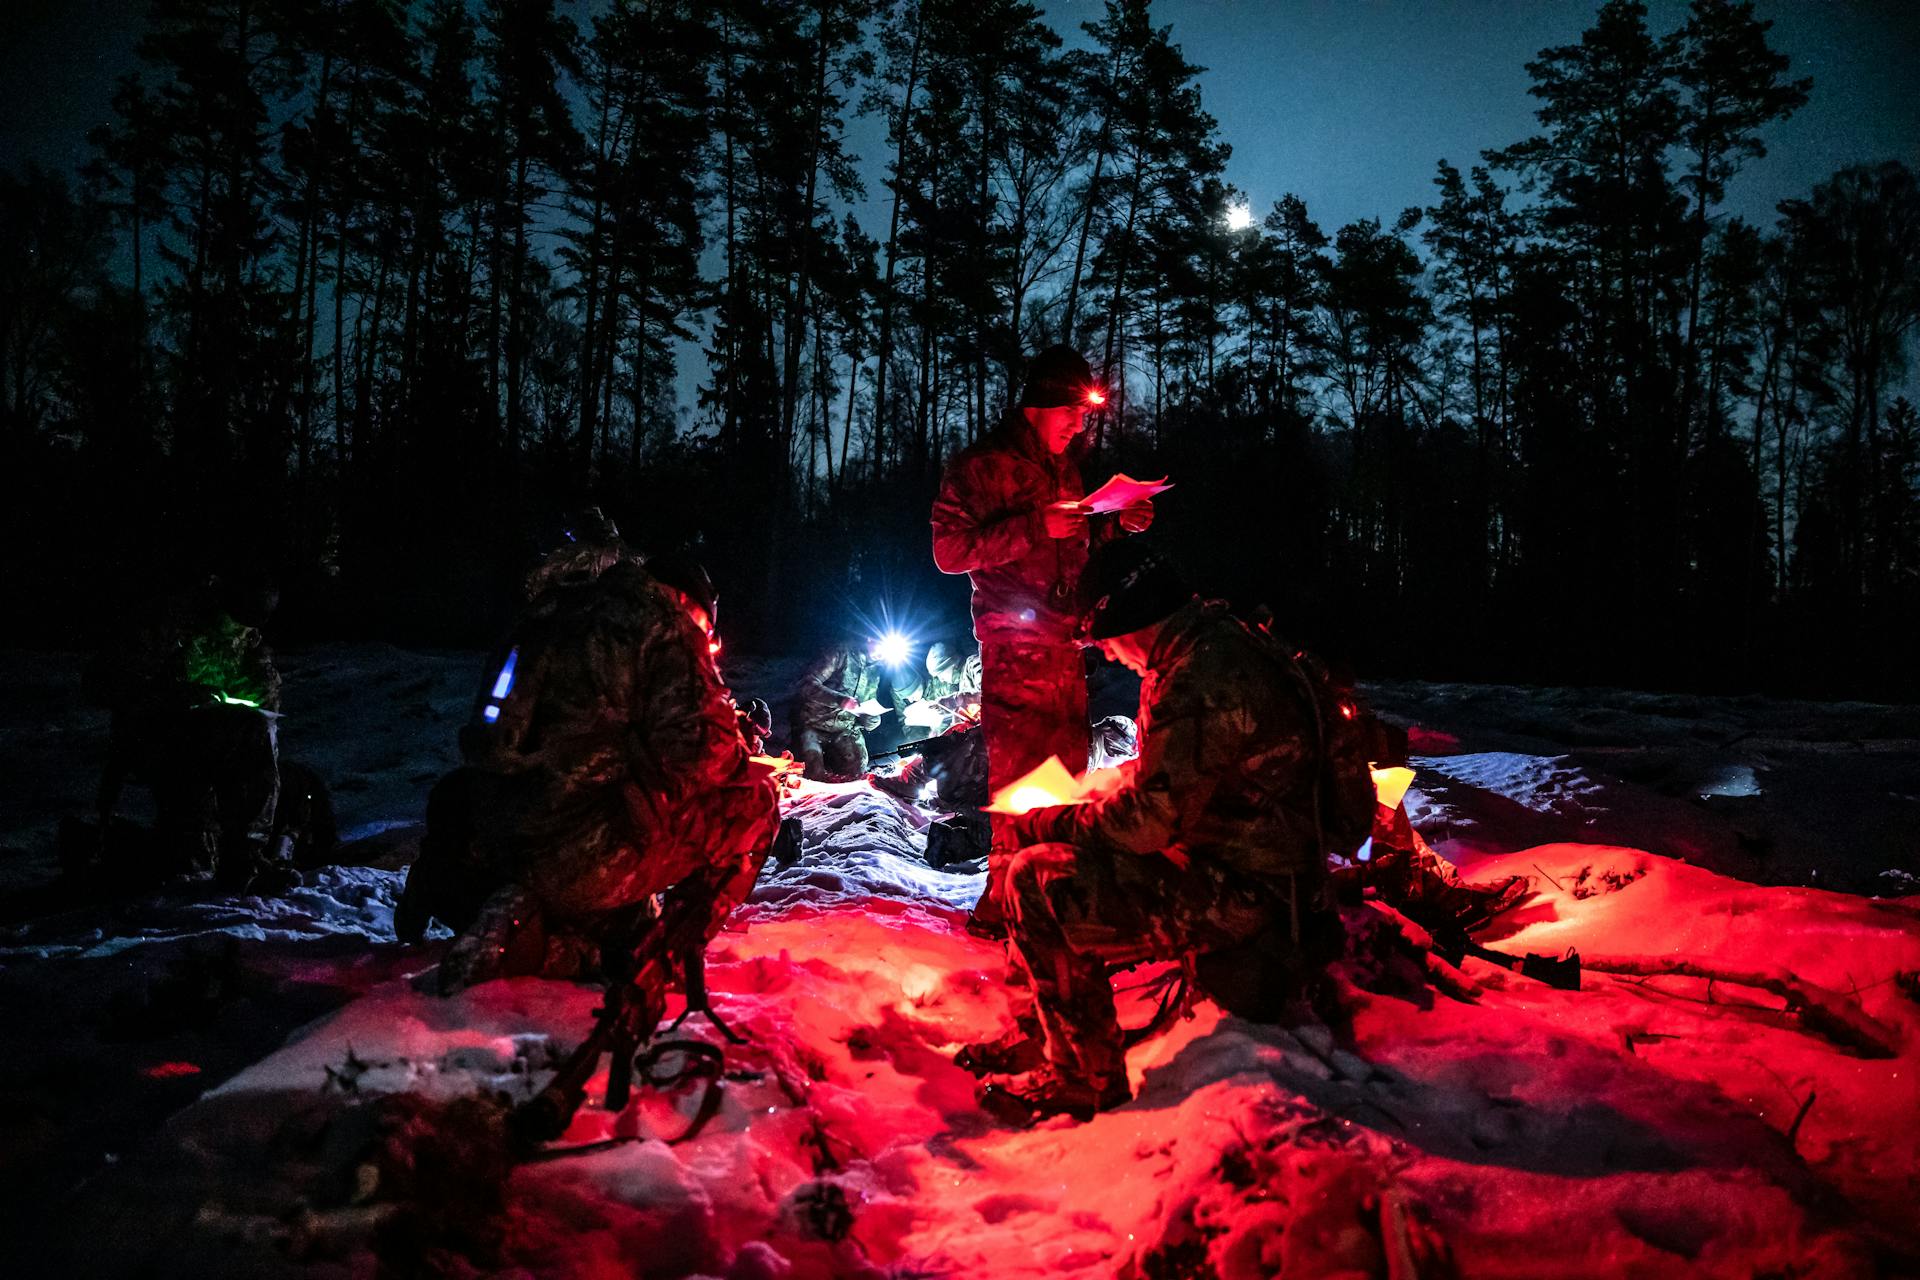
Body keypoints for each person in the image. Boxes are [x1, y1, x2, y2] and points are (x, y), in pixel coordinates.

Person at [970, 541, 1374, 1121]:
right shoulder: (1220, 642)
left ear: (1132, 618)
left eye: (1103, 638)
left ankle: (1084, 1078)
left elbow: (1148, 825)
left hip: (1252, 888)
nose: (1107, 654)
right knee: (1055, 858)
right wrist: (1107, 787)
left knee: (1037, 878)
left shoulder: (1197, 676)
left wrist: (1049, 818)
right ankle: (1048, 1033)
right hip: (1260, 865)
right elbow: (1193, 770)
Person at [396, 515, 781, 994]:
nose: (703, 640)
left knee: (622, 931)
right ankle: (670, 957)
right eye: (704, 628)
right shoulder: (661, 626)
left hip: (494, 833)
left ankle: (524, 932)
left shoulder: (547, 613)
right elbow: (711, 755)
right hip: (582, 848)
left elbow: (490, 733)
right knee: (757, 802)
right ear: (684, 601)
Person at [931, 344, 1152, 935]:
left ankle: (1044, 893)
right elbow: (948, 552)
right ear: (1041, 405)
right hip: (1015, 644)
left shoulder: (1065, 470)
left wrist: (1113, 527)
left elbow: (1068, 555)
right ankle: (1005, 906)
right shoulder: (983, 465)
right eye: (1072, 413)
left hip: (1064, 645)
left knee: (1063, 775)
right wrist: (1035, 525)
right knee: (1024, 778)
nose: (1080, 425)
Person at [82, 569, 294, 892]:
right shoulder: (171, 621)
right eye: (236, 620)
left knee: (256, 733)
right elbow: (102, 682)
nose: (240, 631)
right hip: (154, 734)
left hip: (213, 742)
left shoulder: (246, 638)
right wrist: (177, 695)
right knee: (183, 857)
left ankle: (245, 857)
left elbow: (263, 690)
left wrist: (254, 696)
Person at [788, 638, 884, 782]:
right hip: (813, 724)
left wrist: (871, 719)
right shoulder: (841, 652)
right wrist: (839, 700)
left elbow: (867, 703)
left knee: (857, 770)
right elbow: (806, 684)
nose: (882, 653)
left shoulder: (875, 670)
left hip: (844, 729)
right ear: (870, 638)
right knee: (812, 773)